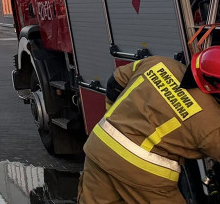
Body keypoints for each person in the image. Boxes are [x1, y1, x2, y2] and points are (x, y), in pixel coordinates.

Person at [78, 47, 220, 204]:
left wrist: (115, 122)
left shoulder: (160, 63)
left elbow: (114, 83)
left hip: (99, 147)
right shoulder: (213, 125)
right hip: (143, 173)